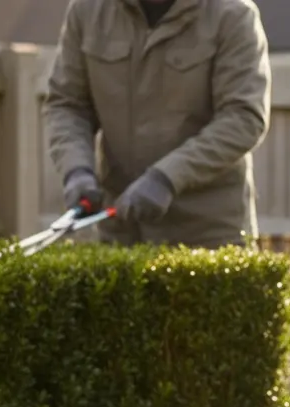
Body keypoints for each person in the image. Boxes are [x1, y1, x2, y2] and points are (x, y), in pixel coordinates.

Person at [43, 0, 272, 248]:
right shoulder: (88, 10)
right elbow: (68, 105)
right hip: (121, 231)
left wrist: (167, 178)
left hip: (208, 234)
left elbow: (243, 118)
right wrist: (77, 170)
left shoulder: (232, 14)